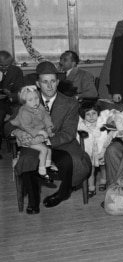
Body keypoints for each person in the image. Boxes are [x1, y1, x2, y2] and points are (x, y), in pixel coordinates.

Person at [5, 61, 91, 213]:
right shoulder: (28, 99)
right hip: (34, 144)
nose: (49, 86)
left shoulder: (70, 103)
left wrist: (45, 139)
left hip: (60, 142)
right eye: (45, 82)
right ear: (38, 84)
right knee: (27, 159)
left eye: (52, 81)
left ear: (58, 82)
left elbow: (68, 133)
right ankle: (33, 201)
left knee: (70, 160)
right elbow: (8, 125)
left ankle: (63, 192)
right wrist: (17, 132)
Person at [10, 85, 55, 183]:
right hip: (28, 136)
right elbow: (27, 127)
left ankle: (47, 167)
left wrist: (49, 128)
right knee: (43, 150)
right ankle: (42, 172)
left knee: (48, 150)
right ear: (24, 101)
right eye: (30, 100)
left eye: (36, 98)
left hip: (38, 135)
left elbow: (46, 118)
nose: (35, 102)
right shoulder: (24, 112)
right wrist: (40, 131)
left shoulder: (40, 107)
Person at [77, 102, 110, 197]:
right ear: (83, 115)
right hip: (90, 151)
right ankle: (91, 188)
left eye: (94, 113)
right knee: (91, 170)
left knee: (103, 167)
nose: (91, 116)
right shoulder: (82, 125)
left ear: (98, 113)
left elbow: (110, 114)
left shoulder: (101, 122)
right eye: (88, 114)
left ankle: (103, 181)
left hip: (101, 150)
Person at [0, 50, 25, 149]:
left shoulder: (16, 71)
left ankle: (18, 143)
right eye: (1, 65)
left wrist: (10, 95)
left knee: (21, 112)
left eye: (7, 65)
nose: (4, 68)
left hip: (11, 101)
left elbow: (20, 90)